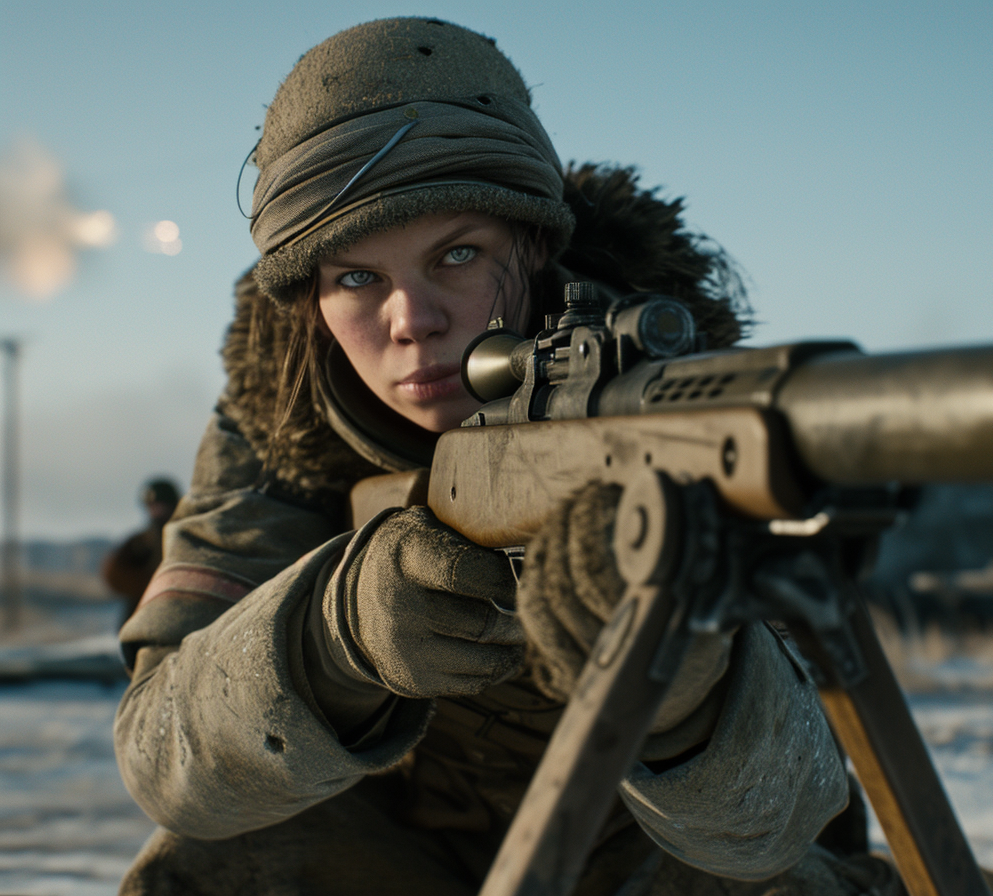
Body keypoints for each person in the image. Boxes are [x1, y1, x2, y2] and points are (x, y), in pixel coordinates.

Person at [113, 18, 898, 896]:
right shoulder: (276, 426)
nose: (413, 319)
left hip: (638, 850)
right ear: (311, 303)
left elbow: (778, 823)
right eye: (357, 279)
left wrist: (682, 686)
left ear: (531, 247)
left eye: (457, 254)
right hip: (395, 845)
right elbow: (162, 762)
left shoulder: (690, 406)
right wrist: (336, 642)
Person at [101, 477, 180, 625]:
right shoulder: (140, 542)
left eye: (161, 506)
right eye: (152, 507)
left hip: (178, 616)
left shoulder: (185, 538)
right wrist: (153, 585)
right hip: (140, 618)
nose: (156, 512)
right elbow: (113, 574)